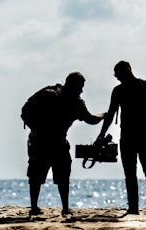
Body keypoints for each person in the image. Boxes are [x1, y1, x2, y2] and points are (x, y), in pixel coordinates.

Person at [22, 72, 104, 216]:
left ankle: (45, 207)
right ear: (73, 85)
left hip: (46, 141)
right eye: (80, 87)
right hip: (49, 142)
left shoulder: (64, 98)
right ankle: (57, 208)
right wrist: (104, 115)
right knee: (49, 176)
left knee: (45, 176)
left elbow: (24, 112)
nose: (81, 90)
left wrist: (36, 130)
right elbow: (90, 119)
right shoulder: (66, 99)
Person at [96, 61, 146, 215]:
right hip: (140, 135)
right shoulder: (144, 87)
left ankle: (140, 206)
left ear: (128, 70)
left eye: (118, 74)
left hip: (131, 136)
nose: (117, 78)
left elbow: (110, 114)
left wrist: (102, 134)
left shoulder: (120, 90)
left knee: (137, 173)